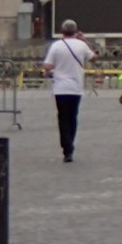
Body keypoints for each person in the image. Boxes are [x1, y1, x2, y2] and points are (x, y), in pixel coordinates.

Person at [41, 20, 94, 162]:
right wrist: (84, 40)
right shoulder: (81, 45)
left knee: (62, 117)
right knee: (73, 117)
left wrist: (51, 69)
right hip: (76, 87)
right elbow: (94, 57)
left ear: (62, 31)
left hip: (60, 87)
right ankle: (70, 142)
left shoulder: (56, 46)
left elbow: (47, 65)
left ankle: (67, 147)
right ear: (76, 31)